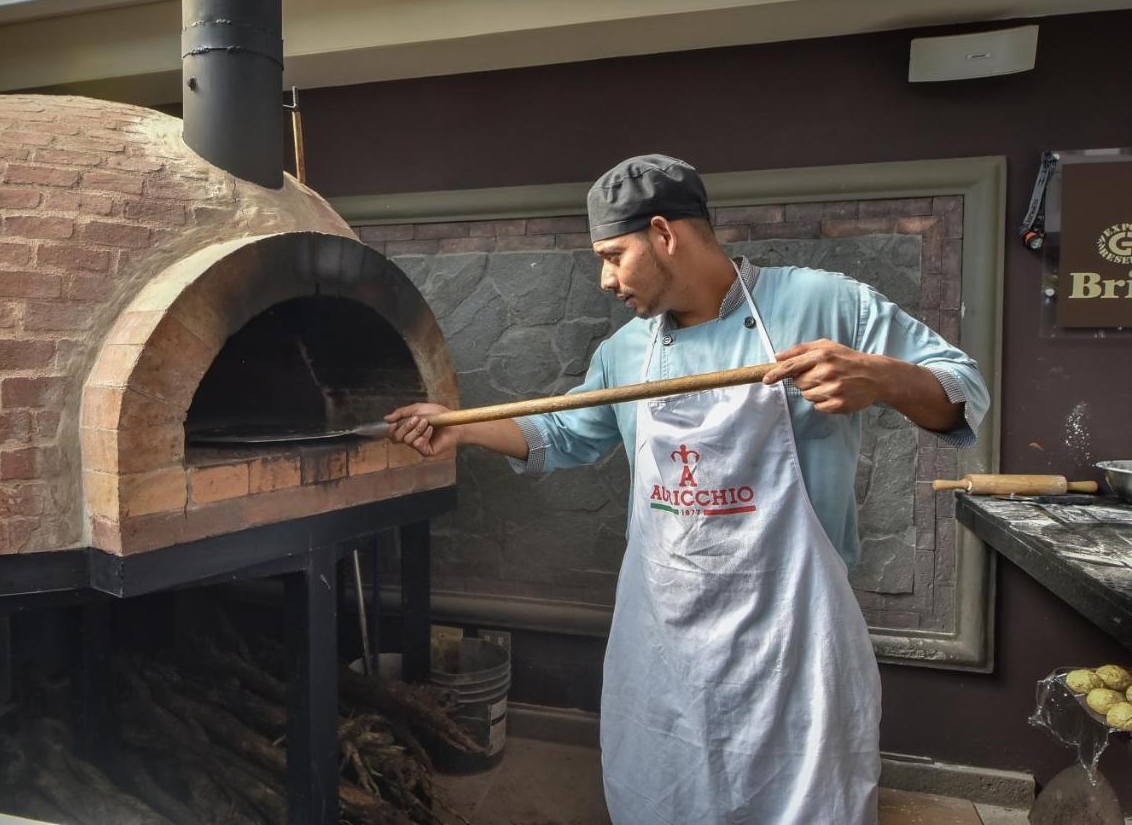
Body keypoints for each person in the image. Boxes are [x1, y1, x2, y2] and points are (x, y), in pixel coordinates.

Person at [385, 154, 989, 824]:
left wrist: (880, 377)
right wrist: (462, 431)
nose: (605, 278)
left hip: (792, 648)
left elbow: (964, 387)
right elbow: (561, 432)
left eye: (614, 255)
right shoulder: (626, 352)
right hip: (666, 647)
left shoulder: (823, 304)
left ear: (666, 234)